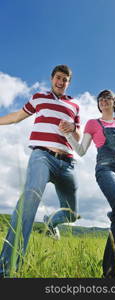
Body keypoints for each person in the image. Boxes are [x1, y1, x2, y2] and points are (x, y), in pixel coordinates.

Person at [0, 64, 81, 278]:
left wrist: (73, 129)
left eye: (65, 79)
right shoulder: (39, 97)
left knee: (72, 212)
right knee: (29, 200)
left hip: (67, 163)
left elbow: (79, 139)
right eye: (58, 77)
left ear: (68, 83)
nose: (61, 82)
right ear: (52, 79)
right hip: (42, 156)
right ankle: (7, 269)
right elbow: (17, 116)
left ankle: (51, 223)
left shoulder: (74, 105)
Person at [59, 89, 115, 278]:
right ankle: (111, 275)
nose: (103, 101)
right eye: (100, 99)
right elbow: (81, 150)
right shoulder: (93, 124)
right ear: (99, 104)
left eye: (107, 98)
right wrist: (67, 135)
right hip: (106, 169)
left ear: (114, 102)